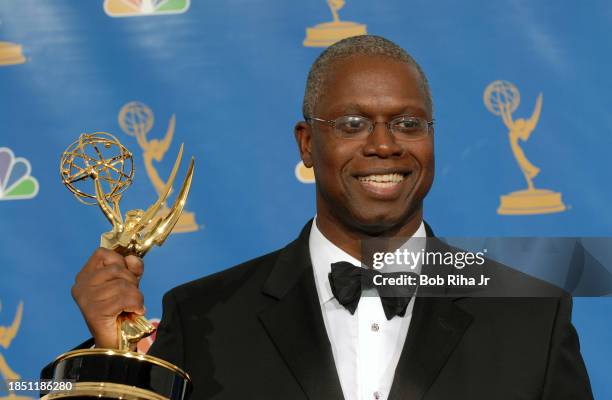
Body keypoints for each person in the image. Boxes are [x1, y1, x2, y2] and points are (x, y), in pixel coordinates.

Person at [42, 35, 593, 399]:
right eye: (352, 123)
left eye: (408, 124)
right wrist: (108, 354)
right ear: (307, 144)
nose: (384, 145)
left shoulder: (532, 316)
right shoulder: (202, 317)